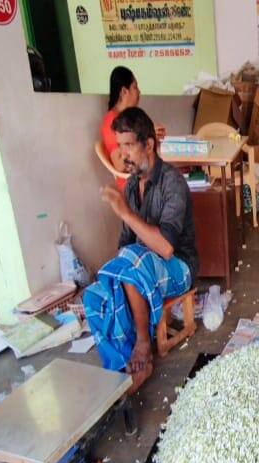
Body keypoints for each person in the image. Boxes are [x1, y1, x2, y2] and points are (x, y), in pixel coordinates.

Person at [84, 107, 198, 393]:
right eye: (120, 146)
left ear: (148, 144)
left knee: (133, 261)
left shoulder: (173, 183)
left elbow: (167, 248)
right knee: (97, 293)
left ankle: (143, 348)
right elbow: (126, 245)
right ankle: (121, 365)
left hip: (178, 268)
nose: (124, 155)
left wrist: (125, 213)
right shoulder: (132, 185)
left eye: (129, 146)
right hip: (142, 269)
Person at [100, 67, 165, 184]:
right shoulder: (111, 122)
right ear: (124, 91)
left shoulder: (132, 117)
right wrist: (146, 135)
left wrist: (154, 137)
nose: (139, 92)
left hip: (146, 176)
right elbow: (120, 165)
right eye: (135, 87)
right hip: (133, 184)